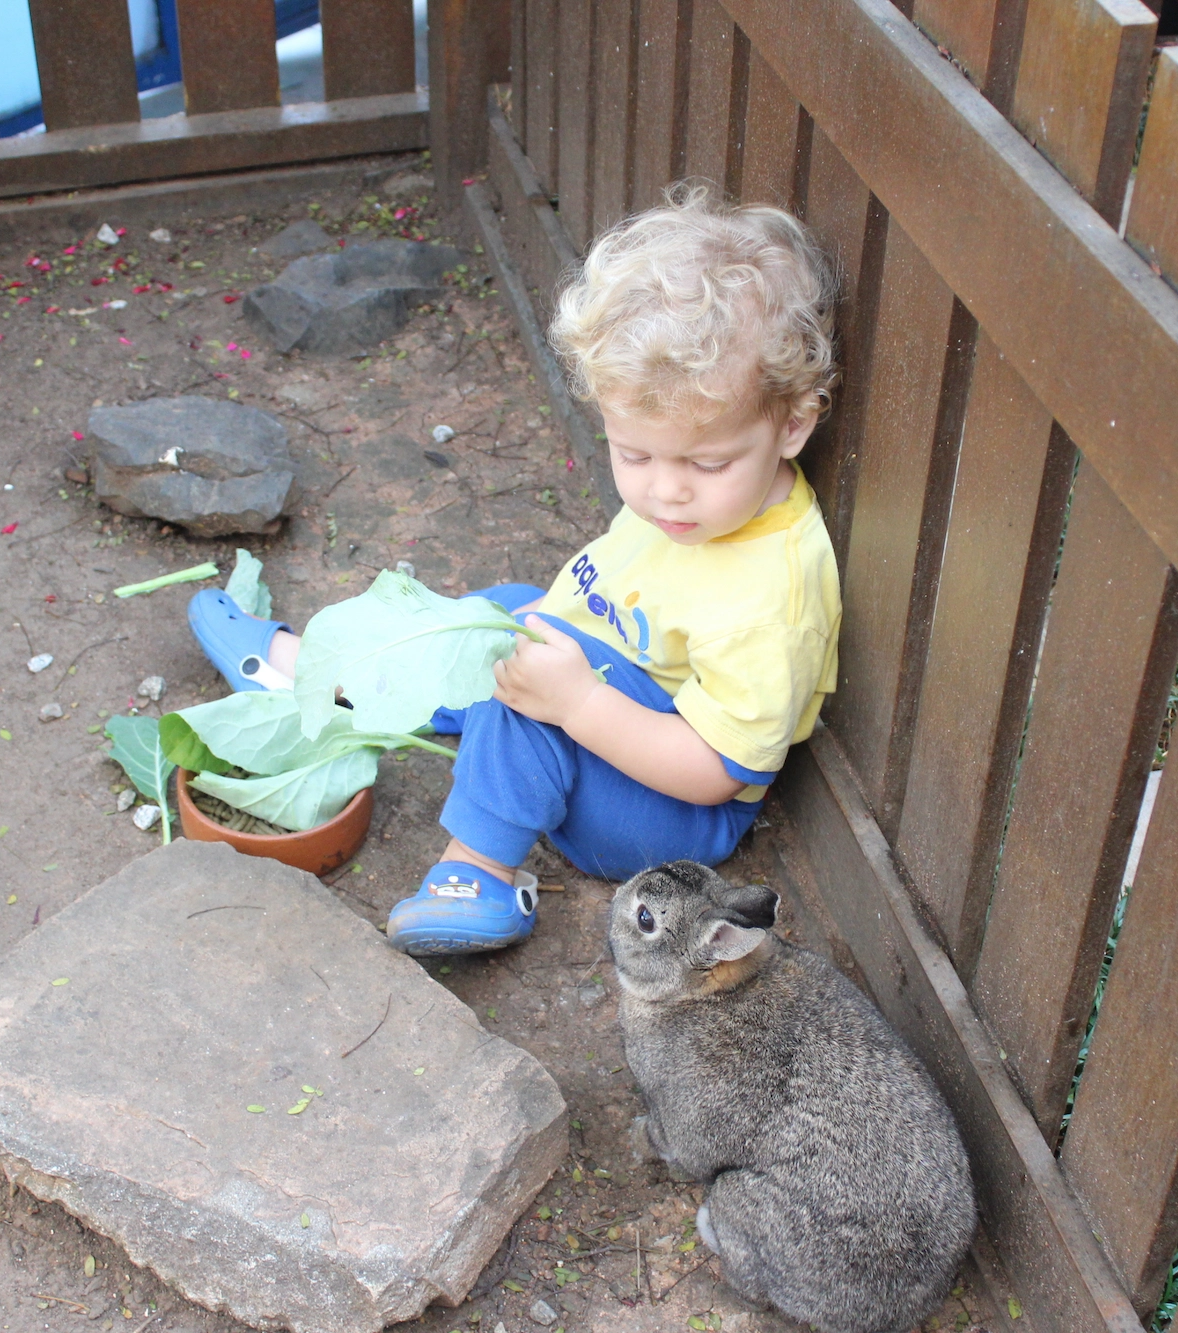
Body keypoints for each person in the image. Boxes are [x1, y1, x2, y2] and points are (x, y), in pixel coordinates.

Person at [186, 183, 843, 955]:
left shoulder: (768, 600)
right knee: (508, 612)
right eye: (634, 454)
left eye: (705, 463)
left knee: (523, 697)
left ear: (793, 424)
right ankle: (332, 678)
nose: (664, 490)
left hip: (669, 810)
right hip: (627, 702)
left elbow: (715, 771)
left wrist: (577, 704)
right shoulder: (709, 503)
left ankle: (478, 872)